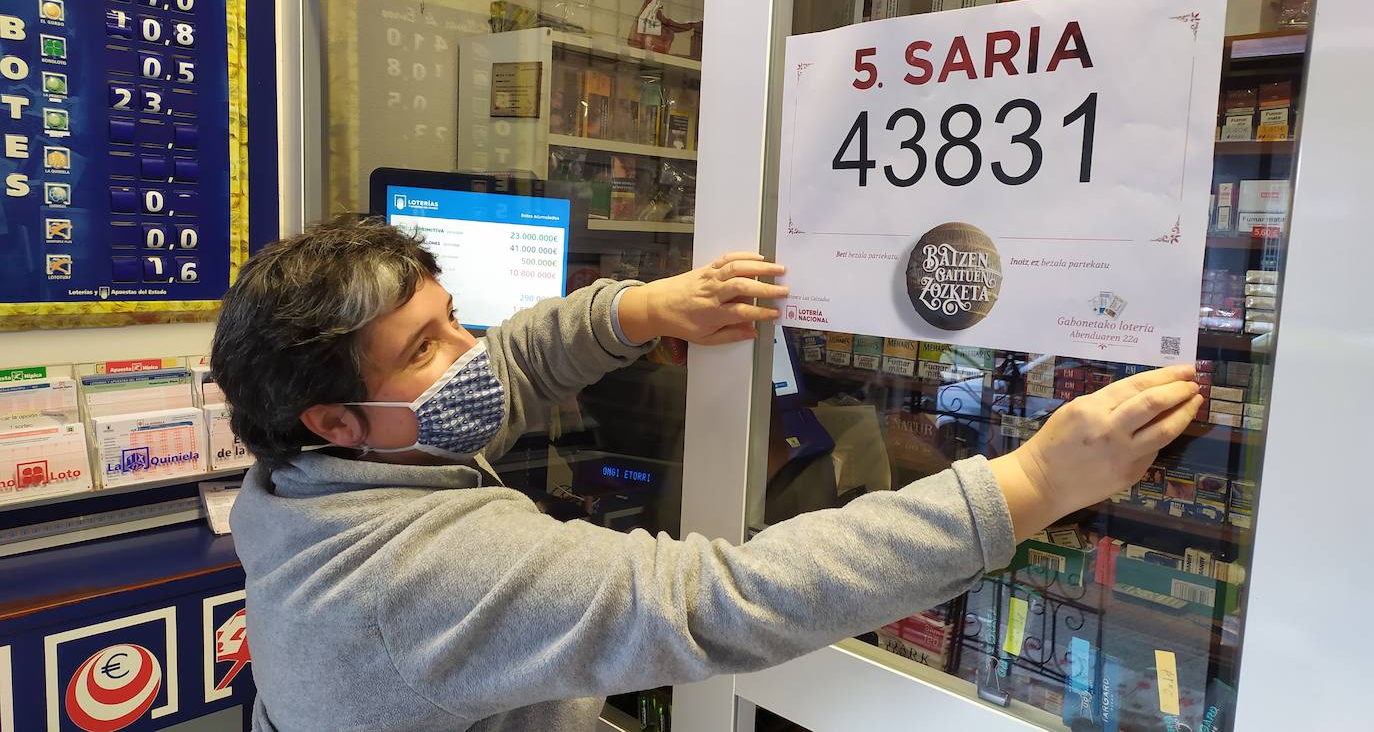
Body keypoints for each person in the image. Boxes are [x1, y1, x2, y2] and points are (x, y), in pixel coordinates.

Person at [213, 219, 1201, 732]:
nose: (469, 351)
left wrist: (639, 310)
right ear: (335, 417)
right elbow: (717, 598)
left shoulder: (310, 479)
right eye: (429, 344)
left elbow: (509, 361)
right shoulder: (411, 575)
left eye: (454, 313)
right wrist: (1028, 483)